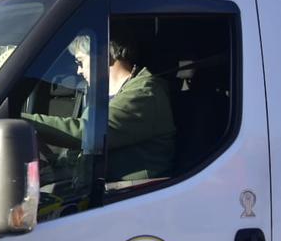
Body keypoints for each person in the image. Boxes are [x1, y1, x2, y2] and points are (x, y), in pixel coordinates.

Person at [23, 31, 175, 182]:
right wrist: (56, 165)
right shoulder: (102, 94)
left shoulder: (145, 93)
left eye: (80, 62)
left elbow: (89, 133)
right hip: (104, 186)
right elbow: (88, 152)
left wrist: (23, 122)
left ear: (103, 54)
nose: (79, 71)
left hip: (136, 194)